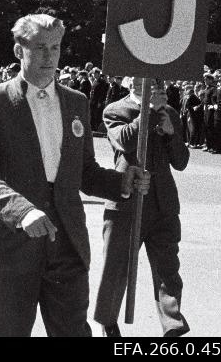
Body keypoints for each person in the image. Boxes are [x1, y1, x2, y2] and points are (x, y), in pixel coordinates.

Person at [0, 14, 149, 337]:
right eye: (39, 47)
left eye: (55, 47)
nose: (49, 56)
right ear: (18, 50)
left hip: (66, 245)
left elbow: (85, 173)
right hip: (11, 246)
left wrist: (122, 181)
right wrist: (22, 211)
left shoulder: (76, 102)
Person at [93, 77, 190, 337]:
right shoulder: (115, 110)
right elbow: (124, 141)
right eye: (145, 78)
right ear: (129, 81)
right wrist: (147, 111)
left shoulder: (168, 112)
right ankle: (108, 322)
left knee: (168, 269)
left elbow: (181, 161)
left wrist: (171, 133)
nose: (156, 83)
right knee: (116, 268)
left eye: (159, 79)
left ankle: (172, 324)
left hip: (163, 204)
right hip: (128, 200)